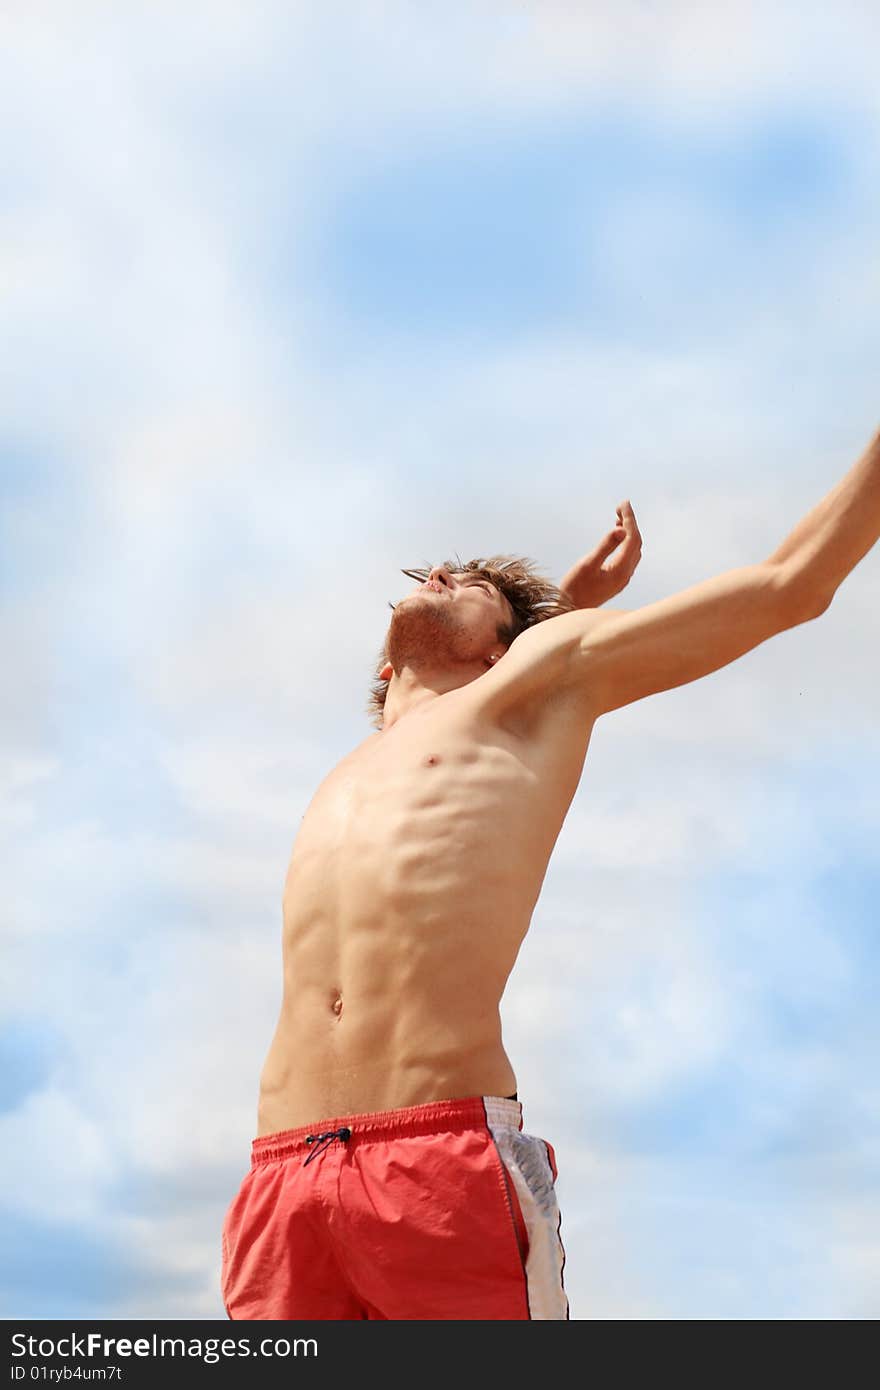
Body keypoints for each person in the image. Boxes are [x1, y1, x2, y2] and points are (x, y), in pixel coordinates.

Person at [220, 427, 879, 1320]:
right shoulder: (367, 759)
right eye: (439, 574)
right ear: (385, 665)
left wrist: (554, 621)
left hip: (433, 1157)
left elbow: (790, 586)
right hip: (282, 1174)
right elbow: (467, 690)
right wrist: (547, 603)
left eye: (475, 588)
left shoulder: (535, 692)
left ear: (505, 649)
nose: (441, 574)